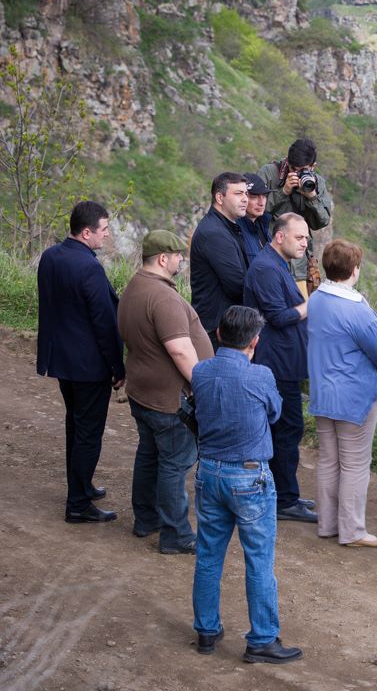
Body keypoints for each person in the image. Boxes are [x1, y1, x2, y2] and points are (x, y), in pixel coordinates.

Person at [190, 305, 302, 664]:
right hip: (250, 475)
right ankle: (262, 639)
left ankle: (206, 630)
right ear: (255, 341)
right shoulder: (261, 375)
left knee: (209, 555)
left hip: (210, 471)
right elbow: (275, 413)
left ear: (218, 334)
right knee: (258, 559)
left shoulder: (200, 371)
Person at [118, 230, 214, 552]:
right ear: (163, 258)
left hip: (143, 392)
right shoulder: (163, 297)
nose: (181, 260)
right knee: (174, 464)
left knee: (149, 455)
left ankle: (146, 520)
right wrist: (201, 386)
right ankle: (175, 535)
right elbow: (180, 350)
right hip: (169, 400)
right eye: (177, 256)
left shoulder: (135, 286)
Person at [37, 200, 125, 523]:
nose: (107, 235)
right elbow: (104, 324)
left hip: (62, 360)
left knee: (75, 426)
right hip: (89, 366)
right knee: (88, 433)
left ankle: (81, 486)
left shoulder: (50, 256)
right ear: (86, 232)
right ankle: (77, 504)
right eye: (104, 229)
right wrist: (118, 367)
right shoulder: (89, 267)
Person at [307, 239, 377, 547]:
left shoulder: (317, 299)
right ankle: (353, 531)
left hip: (323, 392)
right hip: (354, 396)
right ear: (355, 270)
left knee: (329, 461)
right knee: (355, 464)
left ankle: (328, 524)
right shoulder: (356, 309)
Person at [244, 213, 316, 523]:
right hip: (276, 365)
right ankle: (285, 500)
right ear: (279, 236)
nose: (304, 243)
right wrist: (311, 305)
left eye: (306, 238)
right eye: (299, 237)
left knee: (284, 430)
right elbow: (277, 316)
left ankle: (284, 493)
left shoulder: (277, 264)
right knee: (286, 430)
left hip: (284, 363)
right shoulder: (265, 268)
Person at [256, 138, 334, 295]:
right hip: (268, 257)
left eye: (303, 170)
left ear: (313, 166)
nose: (297, 174)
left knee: (300, 308)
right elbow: (255, 211)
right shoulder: (269, 173)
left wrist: (312, 197)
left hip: (299, 266)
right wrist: (283, 192)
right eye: (293, 169)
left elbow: (321, 222)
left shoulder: (316, 183)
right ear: (287, 160)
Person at [190, 172, 250, 349]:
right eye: (238, 193)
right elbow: (237, 286)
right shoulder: (214, 233)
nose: (245, 199)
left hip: (225, 327)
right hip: (216, 332)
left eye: (246, 193)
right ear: (219, 197)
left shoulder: (226, 227)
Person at [238, 173, 274, 263]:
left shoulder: (264, 225)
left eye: (264, 196)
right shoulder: (235, 230)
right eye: (254, 197)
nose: (261, 203)